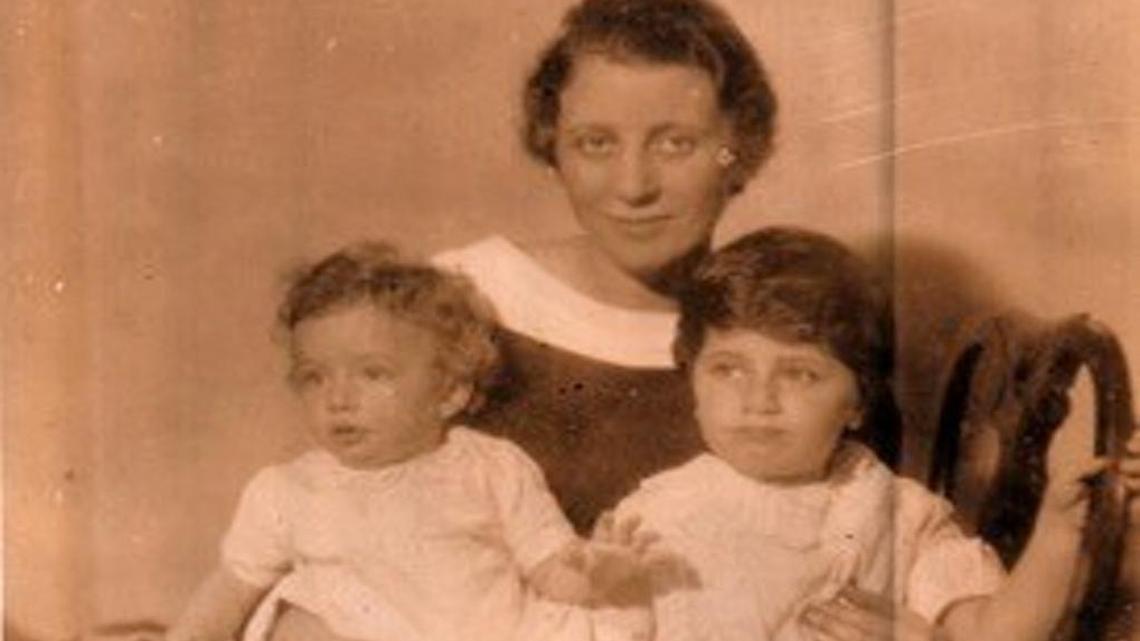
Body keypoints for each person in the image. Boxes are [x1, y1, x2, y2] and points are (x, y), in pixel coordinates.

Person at [603, 227, 1140, 641]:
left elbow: (993, 630)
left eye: (799, 374)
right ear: (692, 378)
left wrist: (1059, 530)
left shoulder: (899, 515)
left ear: (858, 400)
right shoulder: (655, 518)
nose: (758, 400)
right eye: (729, 369)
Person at [433, 0, 803, 535]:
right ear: (552, 147)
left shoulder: (784, 332)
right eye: (596, 144)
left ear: (739, 150)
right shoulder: (467, 295)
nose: (633, 187)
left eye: (676, 143)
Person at [165, 241, 656, 641]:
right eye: (314, 377)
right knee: (303, 614)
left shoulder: (491, 468)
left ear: (449, 391)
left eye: (372, 374)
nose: (338, 398)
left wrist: (597, 573)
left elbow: (549, 568)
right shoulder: (287, 491)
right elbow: (227, 598)